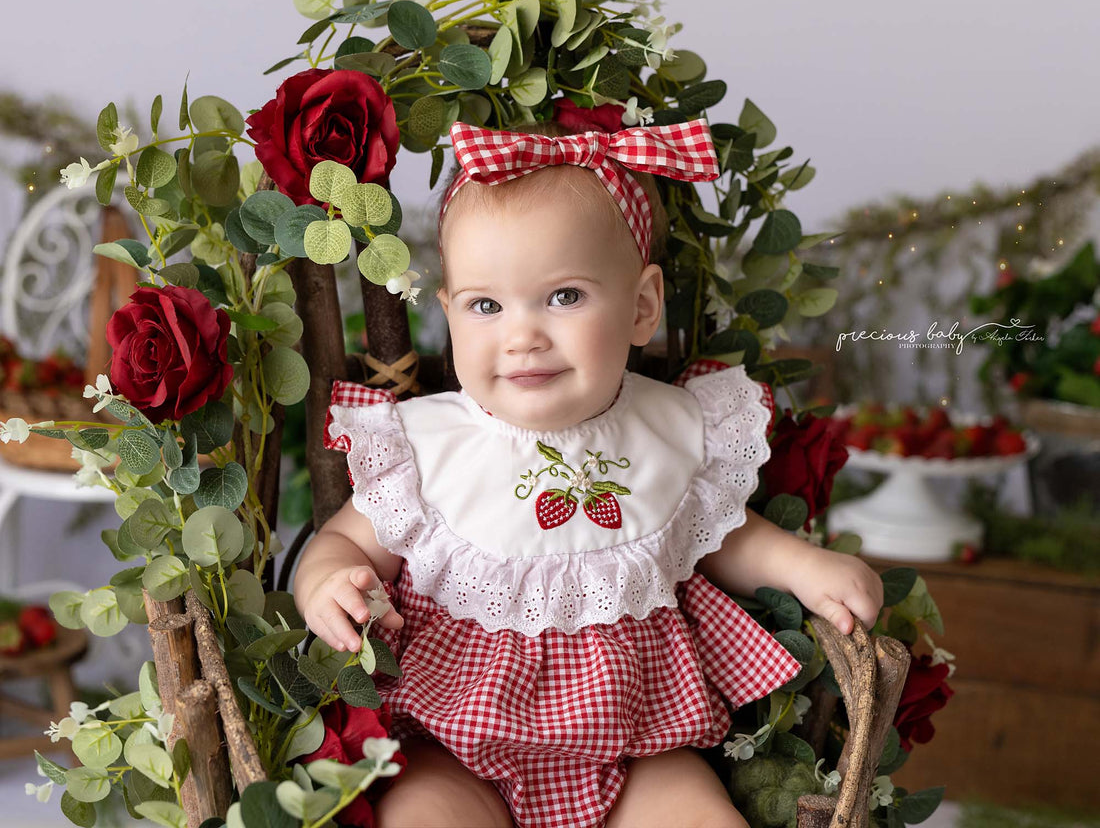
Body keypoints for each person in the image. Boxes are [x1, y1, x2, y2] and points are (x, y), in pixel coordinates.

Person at [293, 117, 884, 828]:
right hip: (457, 747)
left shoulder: (669, 426)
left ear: (641, 307)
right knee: (423, 817)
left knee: (701, 818)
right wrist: (327, 581)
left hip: (637, 747)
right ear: (448, 314)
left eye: (564, 296)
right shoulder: (427, 446)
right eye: (486, 305)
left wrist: (803, 567)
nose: (522, 335)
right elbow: (347, 542)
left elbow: (723, 536)